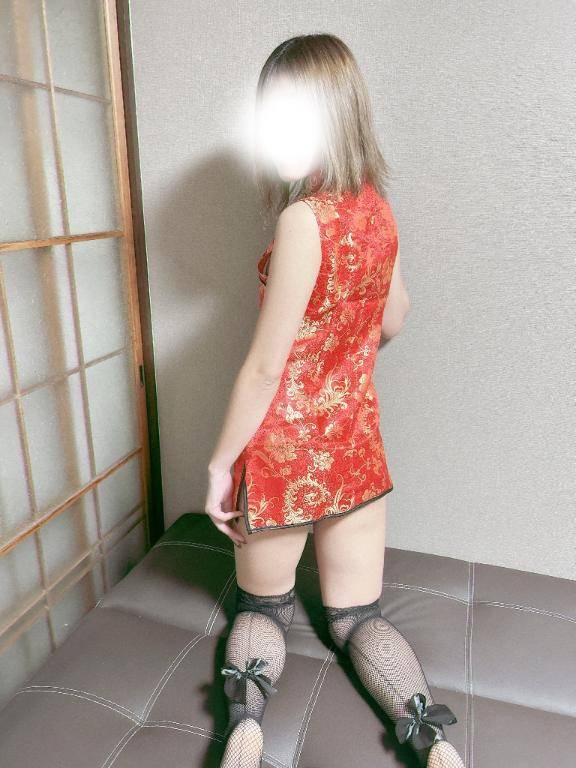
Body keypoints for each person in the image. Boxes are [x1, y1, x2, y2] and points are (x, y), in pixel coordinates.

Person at [205, 33, 465, 768]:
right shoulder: (378, 211)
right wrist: (341, 348)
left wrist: (221, 466)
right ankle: (433, 740)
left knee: (264, 608)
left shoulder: (302, 220)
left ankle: (245, 733)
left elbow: (265, 367)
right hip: (355, 444)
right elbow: (395, 317)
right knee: (357, 618)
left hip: (286, 459)